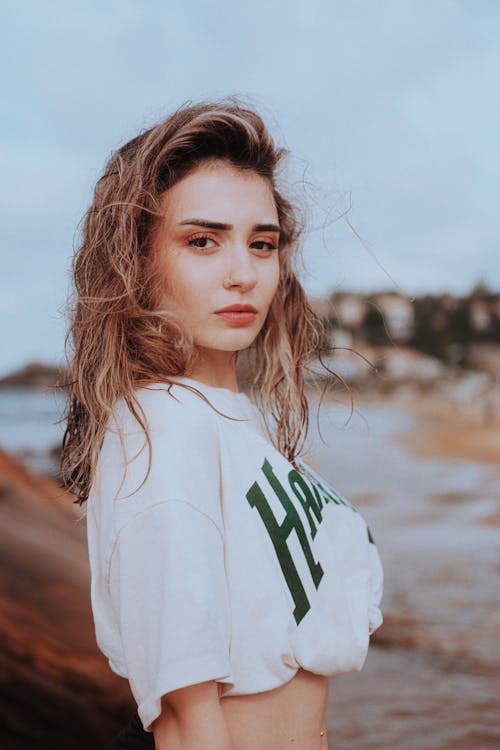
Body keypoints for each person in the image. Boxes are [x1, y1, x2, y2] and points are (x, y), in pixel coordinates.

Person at [61, 96, 384, 750]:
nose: (244, 273)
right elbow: (185, 719)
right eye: (202, 241)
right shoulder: (161, 429)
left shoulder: (231, 419)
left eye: (261, 244)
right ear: (138, 261)